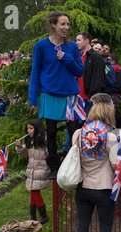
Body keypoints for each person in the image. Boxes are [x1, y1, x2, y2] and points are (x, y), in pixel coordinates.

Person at [28, 11, 84, 180]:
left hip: (70, 96)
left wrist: (67, 59)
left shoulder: (72, 46)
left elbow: (79, 71)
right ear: (53, 25)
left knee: (74, 132)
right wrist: (33, 98)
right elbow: (35, 73)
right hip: (50, 94)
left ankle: (77, 164)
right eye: (62, 24)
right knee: (50, 133)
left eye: (68, 24)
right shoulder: (41, 46)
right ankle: (54, 167)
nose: (66, 28)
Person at [72, 93, 121, 232]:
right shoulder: (110, 137)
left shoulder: (78, 134)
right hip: (103, 187)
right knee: (106, 230)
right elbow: (116, 165)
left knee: (81, 228)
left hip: (83, 186)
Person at [15, 119, 51, 224]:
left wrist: (48, 166)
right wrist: (19, 147)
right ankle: (33, 215)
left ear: (37, 129)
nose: (28, 131)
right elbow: (25, 154)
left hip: (41, 170)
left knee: (35, 191)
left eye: (31, 128)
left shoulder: (44, 140)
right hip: (32, 170)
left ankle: (43, 216)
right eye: (27, 129)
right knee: (33, 190)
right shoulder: (29, 140)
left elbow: (50, 154)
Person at [80, 31, 106, 113]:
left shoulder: (96, 56)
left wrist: (93, 96)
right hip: (77, 96)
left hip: (89, 97)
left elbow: (98, 78)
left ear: (87, 41)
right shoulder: (79, 55)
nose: (76, 42)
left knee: (90, 123)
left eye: (79, 40)